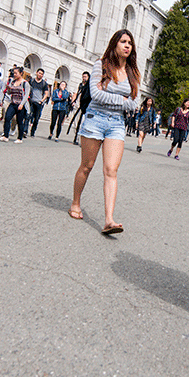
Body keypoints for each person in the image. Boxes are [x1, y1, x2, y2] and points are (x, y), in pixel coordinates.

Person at [69, 29, 140, 234]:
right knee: (87, 166)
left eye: (130, 43)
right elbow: (96, 95)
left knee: (111, 170)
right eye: (123, 42)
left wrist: (122, 101)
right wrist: (122, 100)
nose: (127, 46)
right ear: (115, 44)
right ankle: (75, 202)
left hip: (117, 123)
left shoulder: (133, 73)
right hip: (95, 120)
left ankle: (109, 219)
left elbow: (135, 103)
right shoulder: (100, 65)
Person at [0, 66, 30, 143]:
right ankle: (5, 136)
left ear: (21, 73)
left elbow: (26, 95)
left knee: (19, 121)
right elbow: (9, 93)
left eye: (16, 73)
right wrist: (8, 89)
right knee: (7, 118)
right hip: (13, 103)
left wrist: (22, 104)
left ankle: (19, 138)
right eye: (14, 73)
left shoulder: (25, 83)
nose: (14, 74)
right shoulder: (12, 82)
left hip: (20, 105)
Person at [67, 71, 91, 145]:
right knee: (76, 123)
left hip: (85, 108)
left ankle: (82, 139)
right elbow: (75, 93)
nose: (84, 78)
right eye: (83, 77)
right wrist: (73, 102)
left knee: (83, 124)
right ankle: (76, 137)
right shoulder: (80, 85)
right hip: (77, 106)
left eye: (85, 77)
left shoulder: (89, 87)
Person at [28, 68, 50, 136]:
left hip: (39, 103)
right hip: (31, 101)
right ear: (37, 73)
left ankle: (33, 132)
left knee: (36, 118)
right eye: (39, 73)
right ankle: (25, 131)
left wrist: (41, 101)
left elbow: (46, 94)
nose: (40, 75)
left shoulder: (44, 84)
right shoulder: (31, 81)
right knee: (28, 116)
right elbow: (27, 89)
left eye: (42, 74)